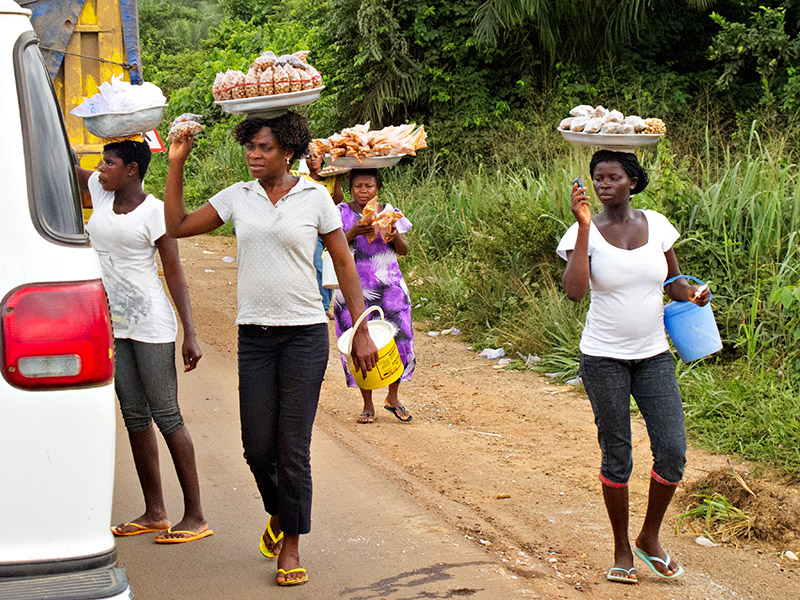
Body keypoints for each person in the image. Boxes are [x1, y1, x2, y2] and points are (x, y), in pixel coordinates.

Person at [163, 112, 378, 587]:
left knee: (291, 448)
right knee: (257, 447)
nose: (254, 156)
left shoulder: (315, 196)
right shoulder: (239, 197)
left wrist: (360, 328)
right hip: (254, 337)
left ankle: (292, 544)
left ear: (287, 151)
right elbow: (176, 225)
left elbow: (343, 259)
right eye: (250, 147)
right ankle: (281, 514)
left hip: (303, 335)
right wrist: (176, 161)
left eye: (264, 148)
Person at [557, 150, 710, 584]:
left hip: (654, 354)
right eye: (597, 178)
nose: (603, 184)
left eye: (613, 177)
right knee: (617, 452)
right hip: (603, 357)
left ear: (633, 181)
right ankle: (622, 550)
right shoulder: (581, 232)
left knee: (673, 450)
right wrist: (585, 228)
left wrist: (691, 294)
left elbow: (671, 281)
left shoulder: (657, 224)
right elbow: (574, 293)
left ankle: (649, 538)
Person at [75, 140, 211, 543]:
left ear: (132, 170)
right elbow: (65, 160)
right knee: (134, 417)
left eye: (110, 163)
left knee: (167, 415)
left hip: (151, 323)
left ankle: (196, 515)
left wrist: (191, 331)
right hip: (113, 323)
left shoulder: (155, 212)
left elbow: (174, 273)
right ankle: (155, 512)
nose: (101, 169)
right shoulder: (101, 191)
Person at [333, 169, 415, 424]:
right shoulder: (339, 212)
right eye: (358, 186)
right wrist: (354, 232)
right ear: (350, 187)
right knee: (358, 344)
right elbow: (332, 245)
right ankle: (367, 404)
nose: (363, 191)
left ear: (377, 187)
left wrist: (393, 233)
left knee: (399, 339)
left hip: (389, 285)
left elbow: (403, 249)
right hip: (352, 288)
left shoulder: (389, 211)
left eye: (368, 185)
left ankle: (393, 397)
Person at [293, 148, 343, 318]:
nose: (312, 159)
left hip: (327, 229)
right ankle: (314, 304)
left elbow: (337, 200)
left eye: (316, 156)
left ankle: (324, 306)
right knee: (315, 266)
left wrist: (337, 178)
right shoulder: (301, 177)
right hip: (310, 229)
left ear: (322, 159)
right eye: (308, 156)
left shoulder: (330, 176)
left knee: (326, 267)